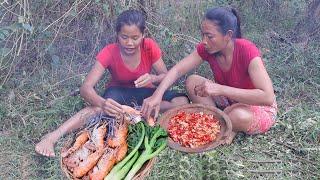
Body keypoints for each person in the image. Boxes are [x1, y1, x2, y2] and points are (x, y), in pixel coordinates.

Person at [35, 9, 189, 157]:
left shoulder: (149, 46)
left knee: (181, 101)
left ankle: (134, 115)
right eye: (124, 37)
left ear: (143, 35)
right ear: (117, 35)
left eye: (135, 38)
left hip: (144, 95)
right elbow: (85, 88)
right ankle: (53, 136)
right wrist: (103, 103)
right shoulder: (109, 51)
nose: (129, 43)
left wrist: (153, 78)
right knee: (95, 109)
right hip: (118, 95)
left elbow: (167, 76)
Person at [141, 7, 278, 144]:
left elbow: (267, 97)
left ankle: (228, 125)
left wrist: (220, 89)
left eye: (209, 36)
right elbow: (177, 70)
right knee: (192, 81)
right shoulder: (208, 48)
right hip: (230, 100)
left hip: (258, 107)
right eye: (203, 35)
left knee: (237, 115)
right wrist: (157, 95)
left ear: (228, 35)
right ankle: (220, 121)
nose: (204, 41)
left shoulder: (246, 50)